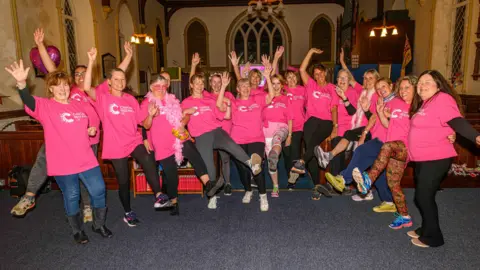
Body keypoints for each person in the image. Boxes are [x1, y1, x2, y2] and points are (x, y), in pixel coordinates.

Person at [10, 29, 132, 221]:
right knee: (43, 159)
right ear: (72, 78)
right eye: (77, 74)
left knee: (86, 177)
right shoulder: (67, 90)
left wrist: (128, 56)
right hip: (59, 138)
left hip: (88, 140)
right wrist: (41, 45)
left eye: (84, 73)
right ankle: (29, 195)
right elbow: (52, 69)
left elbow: (118, 76)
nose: (81, 76)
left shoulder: (97, 91)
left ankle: (87, 208)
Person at [6, 60, 112, 244]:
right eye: (57, 86)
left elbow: (84, 122)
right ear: (51, 90)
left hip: (85, 158)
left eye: (65, 85)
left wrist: (90, 130)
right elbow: (29, 101)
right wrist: (22, 85)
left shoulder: (77, 105)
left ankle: (99, 224)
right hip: (63, 162)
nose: (62, 89)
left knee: (99, 190)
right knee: (72, 195)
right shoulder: (45, 106)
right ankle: (77, 230)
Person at [84, 48, 162, 227]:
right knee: (124, 180)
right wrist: (91, 62)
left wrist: (150, 115)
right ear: (109, 82)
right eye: (116, 79)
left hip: (133, 140)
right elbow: (87, 88)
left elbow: (145, 124)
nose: (120, 82)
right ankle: (128, 212)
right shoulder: (103, 98)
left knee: (148, 157)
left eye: (123, 79)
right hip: (116, 144)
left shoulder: (131, 99)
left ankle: (159, 195)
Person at [405, 70, 480, 248]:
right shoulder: (426, 103)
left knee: (423, 196)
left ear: (438, 85)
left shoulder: (442, 99)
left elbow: (456, 120)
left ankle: (434, 237)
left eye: (427, 82)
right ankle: (426, 228)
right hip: (423, 158)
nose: (422, 85)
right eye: (420, 82)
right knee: (423, 196)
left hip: (436, 157)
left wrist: (476, 136)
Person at [181, 73, 263, 209]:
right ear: (191, 85)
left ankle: (251, 164)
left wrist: (227, 105)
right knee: (209, 166)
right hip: (202, 135)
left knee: (231, 145)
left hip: (216, 130)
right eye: (197, 83)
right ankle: (212, 196)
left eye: (202, 83)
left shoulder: (209, 101)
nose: (200, 86)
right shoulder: (186, 102)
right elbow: (179, 120)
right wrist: (185, 112)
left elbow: (224, 116)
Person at [142, 74, 214, 215]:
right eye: (158, 86)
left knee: (193, 152)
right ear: (151, 87)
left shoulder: (172, 100)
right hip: (161, 142)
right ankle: (173, 201)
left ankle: (208, 184)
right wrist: (150, 115)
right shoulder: (147, 103)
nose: (161, 89)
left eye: (164, 86)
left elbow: (182, 115)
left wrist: (183, 121)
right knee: (171, 174)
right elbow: (145, 125)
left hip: (177, 137)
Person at [352, 76, 418, 229]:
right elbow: (388, 125)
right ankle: (404, 216)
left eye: (407, 87)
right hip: (393, 148)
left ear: (415, 88)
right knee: (393, 184)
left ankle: (368, 180)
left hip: (405, 147)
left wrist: (448, 133)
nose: (403, 91)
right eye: (401, 88)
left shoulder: (417, 107)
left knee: (386, 146)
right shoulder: (397, 104)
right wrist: (381, 113)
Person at [323, 78, 396, 212]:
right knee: (378, 172)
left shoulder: (396, 102)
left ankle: (343, 179)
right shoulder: (382, 100)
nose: (381, 90)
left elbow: (393, 122)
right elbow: (374, 117)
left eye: (384, 86)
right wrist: (364, 133)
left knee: (361, 151)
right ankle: (389, 201)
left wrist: (385, 115)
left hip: (385, 141)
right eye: (378, 88)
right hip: (377, 137)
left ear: (391, 85)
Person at [290, 48, 338, 200]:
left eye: (321, 73)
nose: (318, 76)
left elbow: (334, 108)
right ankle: (317, 186)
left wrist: (335, 127)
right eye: (316, 74)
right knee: (312, 150)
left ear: (325, 73)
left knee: (310, 148)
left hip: (326, 122)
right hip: (310, 121)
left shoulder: (331, 88)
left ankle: (301, 162)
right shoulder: (310, 85)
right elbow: (302, 69)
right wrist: (310, 52)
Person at [217, 74, 270, 211]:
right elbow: (219, 105)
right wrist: (223, 86)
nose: (246, 88)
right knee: (242, 169)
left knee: (256, 165)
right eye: (242, 86)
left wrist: (268, 77)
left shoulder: (257, 99)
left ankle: (263, 196)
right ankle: (248, 190)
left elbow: (270, 96)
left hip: (256, 139)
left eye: (247, 85)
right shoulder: (233, 102)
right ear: (238, 89)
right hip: (238, 140)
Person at [190, 53, 234, 195]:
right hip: (208, 132)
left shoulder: (229, 95)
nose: (216, 84)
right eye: (213, 82)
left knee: (225, 157)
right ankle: (213, 185)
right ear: (209, 84)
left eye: (218, 82)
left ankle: (227, 183)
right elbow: (193, 84)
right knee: (210, 160)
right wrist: (193, 66)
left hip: (225, 130)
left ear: (223, 83)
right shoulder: (206, 96)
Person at [261, 63, 293, 197]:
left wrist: (290, 135)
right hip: (266, 130)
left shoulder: (286, 99)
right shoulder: (264, 97)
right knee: (271, 164)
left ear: (282, 85)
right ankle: (275, 186)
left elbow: (290, 118)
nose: (275, 86)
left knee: (277, 139)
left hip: (281, 127)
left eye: (278, 83)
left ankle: (275, 153)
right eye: (272, 83)